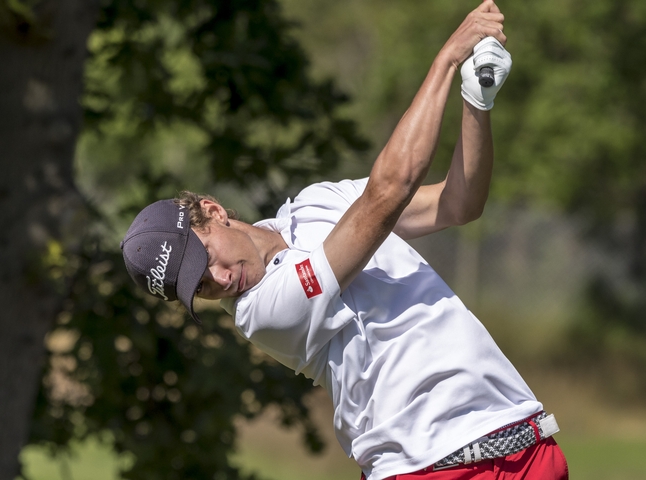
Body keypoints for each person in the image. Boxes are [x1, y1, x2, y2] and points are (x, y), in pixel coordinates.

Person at [120, 1, 569, 478]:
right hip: (426, 468)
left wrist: (476, 102)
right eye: (200, 287)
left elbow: (459, 203)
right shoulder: (263, 314)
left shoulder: (316, 203)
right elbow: (387, 193)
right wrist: (446, 60)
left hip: (522, 438)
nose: (220, 280)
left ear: (211, 211)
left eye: (206, 259)